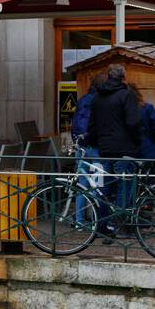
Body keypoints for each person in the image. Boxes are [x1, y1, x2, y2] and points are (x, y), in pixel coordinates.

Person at [89, 64, 144, 237]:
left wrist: (97, 142)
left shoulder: (97, 97)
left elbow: (92, 126)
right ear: (123, 77)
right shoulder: (127, 95)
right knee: (124, 188)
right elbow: (133, 122)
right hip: (125, 149)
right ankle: (122, 226)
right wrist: (136, 142)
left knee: (105, 188)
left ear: (108, 76)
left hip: (105, 149)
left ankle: (102, 226)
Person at [69, 75, 103, 226]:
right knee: (97, 182)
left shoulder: (83, 99)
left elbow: (74, 121)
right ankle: (97, 221)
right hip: (96, 147)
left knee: (82, 184)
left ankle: (79, 220)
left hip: (81, 146)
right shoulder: (101, 100)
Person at [133, 86, 155, 173]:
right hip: (149, 150)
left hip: (133, 153)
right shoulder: (147, 107)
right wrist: (154, 144)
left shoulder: (126, 111)